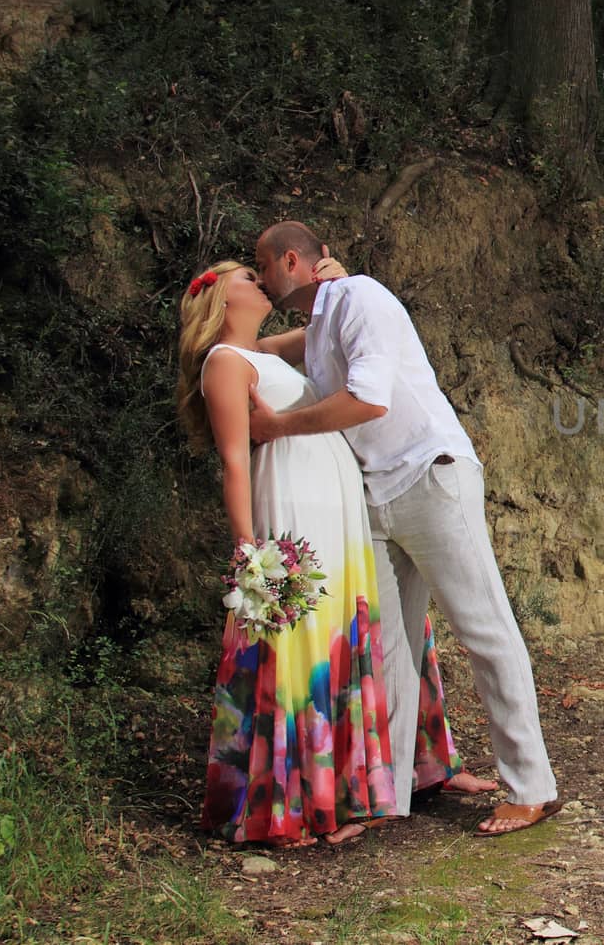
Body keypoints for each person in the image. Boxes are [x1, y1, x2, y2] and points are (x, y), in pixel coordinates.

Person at [250, 222, 559, 835]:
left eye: (262, 267)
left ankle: (533, 787)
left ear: (293, 260)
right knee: (388, 648)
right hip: (374, 496)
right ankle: (384, 797)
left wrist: (279, 428)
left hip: (430, 477)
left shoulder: (361, 296)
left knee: (484, 630)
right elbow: (260, 350)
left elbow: (368, 400)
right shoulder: (319, 323)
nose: (259, 277)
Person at [177, 261, 491, 847]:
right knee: (303, 648)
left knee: (368, 639)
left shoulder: (265, 353)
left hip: (341, 509)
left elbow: (331, 323)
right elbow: (236, 460)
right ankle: (296, 798)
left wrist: (336, 284)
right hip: (294, 507)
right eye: (248, 275)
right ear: (222, 297)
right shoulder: (224, 362)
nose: (260, 280)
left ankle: (399, 775)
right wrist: (250, 548)